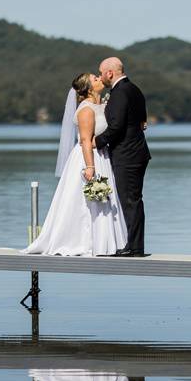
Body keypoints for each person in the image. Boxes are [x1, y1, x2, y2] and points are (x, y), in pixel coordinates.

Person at [22, 73, 127, 256]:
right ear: (88, 89)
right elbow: (86, 140)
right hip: (89, 158)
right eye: (95, 79)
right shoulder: (86, 109)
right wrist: (90, 167)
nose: (99, 79)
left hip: (102, 156)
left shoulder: (102, 105)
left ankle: (107, 242)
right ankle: (85, 241)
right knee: (88, 200)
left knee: (102, 199)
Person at [95, 57, 151, 257]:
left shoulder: (119, 93)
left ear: (110, 73)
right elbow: (142, 121)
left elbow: (116, 126)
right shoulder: (135, 89)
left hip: (127, 154)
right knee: (133, 200)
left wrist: (97, 142)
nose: (101, 76)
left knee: (130, 200)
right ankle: (134, 245)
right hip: (137, 151)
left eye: (101, 72)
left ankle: (134, 247)